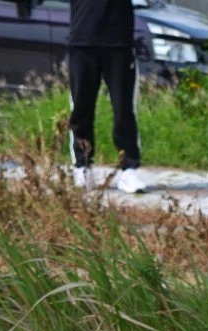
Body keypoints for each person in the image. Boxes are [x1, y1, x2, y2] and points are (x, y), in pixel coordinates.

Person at [69, 0, 147, 193]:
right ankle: (82, 166)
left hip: (118, 41)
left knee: (124, 110)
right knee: (81, 108)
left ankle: (129, 168)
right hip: (82, 39)